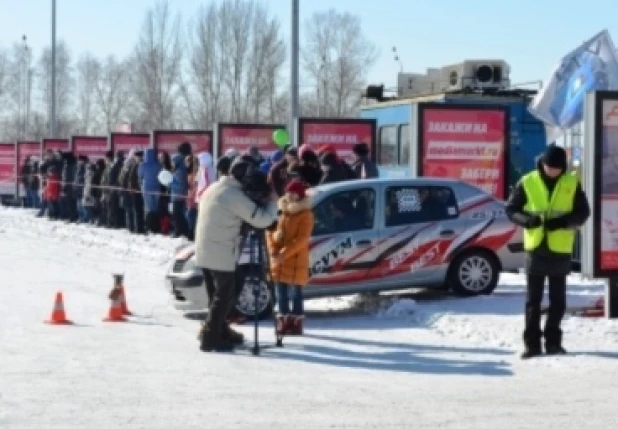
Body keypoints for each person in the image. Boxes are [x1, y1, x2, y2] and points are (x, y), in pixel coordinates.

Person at [505, 145, 590, 359]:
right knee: (533, 300)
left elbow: (583, 212)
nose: (552, 171)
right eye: (549, 166)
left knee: (558, 301)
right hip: (536, 248)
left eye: (556, 168)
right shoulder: (528, 181)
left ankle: (553, 343)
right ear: (542, 163)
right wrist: (527, 220)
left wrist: (563, 222)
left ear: (563, 167)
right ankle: (532, 345)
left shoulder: (571, 182)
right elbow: (511, 209)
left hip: (560, 248)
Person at [195, 157, 278, 352]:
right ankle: (210, 336)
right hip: (220, 252)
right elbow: (263, 220)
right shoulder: (234, 196)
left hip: (206, 250)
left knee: (220, 294)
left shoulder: (216, 187)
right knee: (224, 296)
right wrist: (272, 202)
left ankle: (219, 329)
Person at [267, 179, 314, 336]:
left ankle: (296, 323)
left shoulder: (305, 214)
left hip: (295, 261)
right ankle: (283, 321)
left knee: (296, 293)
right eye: (288, 192)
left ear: (300, 195)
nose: (290, 195)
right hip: (279, 261)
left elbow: (301, 239)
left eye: (294, 192)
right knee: (281, 294)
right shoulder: (280, 211)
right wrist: (273, 247)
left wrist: (284, 253)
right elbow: (269, 231)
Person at [138, 148, 162, 233]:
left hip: (147, 189)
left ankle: (150, 226)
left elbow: (140, 177)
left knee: (149, 208)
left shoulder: (143, 165)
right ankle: (156, 226)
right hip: (157, 189)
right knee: (155, 208)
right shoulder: (158, 165)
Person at [169, 154, 190, 238]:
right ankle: (180, 230)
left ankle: (179, 231)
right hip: (177, 196)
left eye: (173, 161)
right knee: (177, 215)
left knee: (178, 216)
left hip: (179, 196)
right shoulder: (179, 170)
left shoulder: (180, 171)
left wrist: (170, 183)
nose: (172, 163)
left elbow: (182, 186)